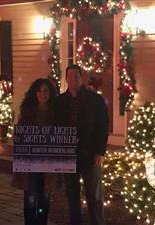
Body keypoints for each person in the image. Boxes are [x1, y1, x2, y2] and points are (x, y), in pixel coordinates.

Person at [54, 64, 109, 225]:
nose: (73, 80)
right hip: (68, 155)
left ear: (81, 78)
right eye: (69, 77)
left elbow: (103, 126)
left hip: (90, 154)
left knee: (94, 197)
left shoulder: (95, 100)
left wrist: (100, 151)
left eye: (76, 77)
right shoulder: (59, 102)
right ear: (66, 79)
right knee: (72, 196)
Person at [16, 78, 56, 225]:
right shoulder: (26, 113)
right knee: (31, 199)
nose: (42, 94)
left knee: (44, 199)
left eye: (45, 91)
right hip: (31, 164)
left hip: (49, 164)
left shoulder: (56, 114)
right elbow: (20, 137)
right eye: (39, 91)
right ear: (34, 93)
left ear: (51, 93)